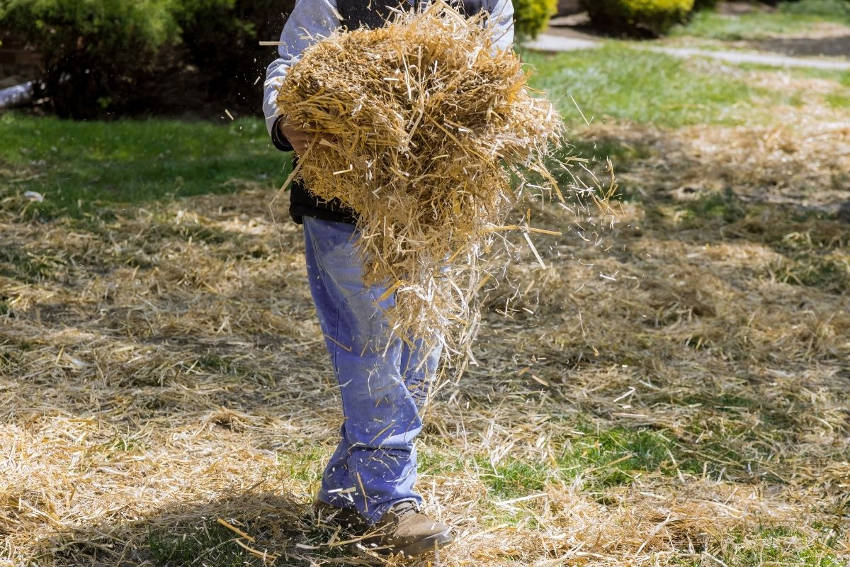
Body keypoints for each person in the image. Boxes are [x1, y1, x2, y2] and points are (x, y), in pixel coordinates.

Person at [263, 0, 514, 556]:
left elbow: (496, 77)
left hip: (433, 204)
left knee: (417, 352)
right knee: (372, 345)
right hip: (341, 202)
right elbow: (288, 65)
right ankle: (392, 501)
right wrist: (285, 122)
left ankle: (342, 490)